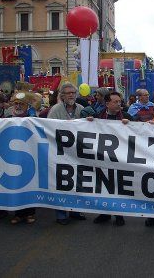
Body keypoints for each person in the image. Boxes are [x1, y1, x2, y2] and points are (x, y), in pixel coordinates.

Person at [87, 92, 131, 226]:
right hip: (103, 158)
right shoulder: (98, 116)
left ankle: (119, 214)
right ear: (107, 104)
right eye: (115, 102)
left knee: (118, 185)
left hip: (120, 158)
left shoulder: (127, 116)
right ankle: (104, 213)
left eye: (120, 101)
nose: (119, 104)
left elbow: (141, 130)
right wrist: (87, 123)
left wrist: (130, 124)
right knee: (104, 186)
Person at [48, 82, 86, 225]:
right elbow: (50, 129)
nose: (71, 95)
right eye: (68, 93)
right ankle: (61, 214)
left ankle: (75, 211)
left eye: (73, 93)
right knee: (62, 183)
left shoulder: (82, 109)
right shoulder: (55, 110)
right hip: (61, 153)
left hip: (77, 153)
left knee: (77, 183)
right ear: (62, 95)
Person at [7, 92, 36, 224]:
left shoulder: (33, 118)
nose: (18, 106)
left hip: (30, 156)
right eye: (16, 103)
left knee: (30, 183)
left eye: (21, 104)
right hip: (12, 156)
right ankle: (18, 213)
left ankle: (30, 212)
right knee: (16, 184)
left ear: (27, 106)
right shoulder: (7, 117)